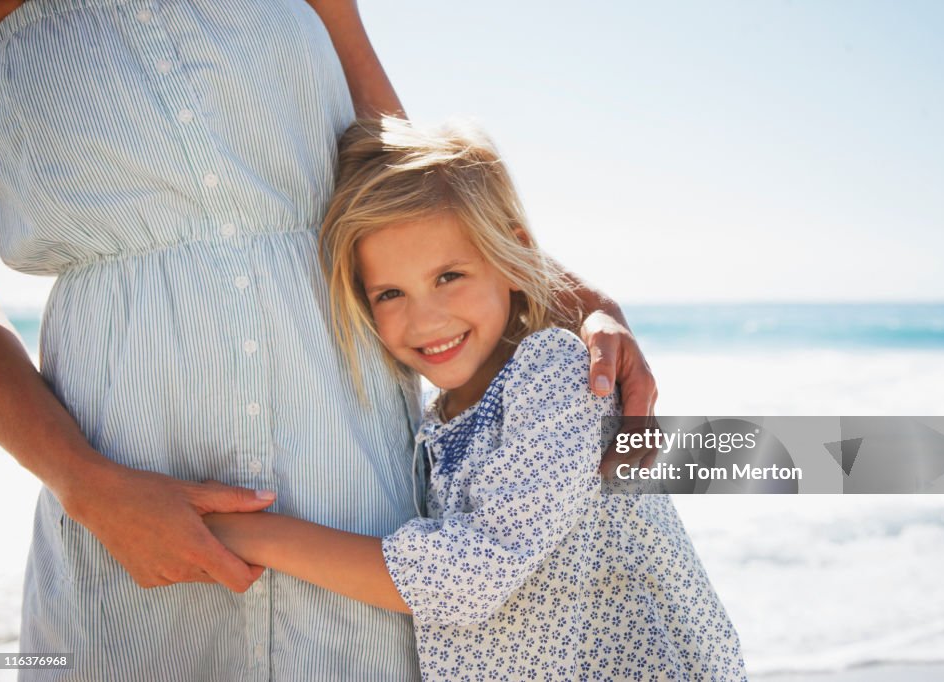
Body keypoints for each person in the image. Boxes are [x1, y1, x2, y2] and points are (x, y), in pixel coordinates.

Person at [0, 2, 656, 680]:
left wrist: (556, 293)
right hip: (125, 480)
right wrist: (84, 484)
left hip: (355, 471)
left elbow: (398, 160)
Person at [203, 117, 747, 681]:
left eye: (448, 276)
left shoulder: (554, 372)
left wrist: (247, 532)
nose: (425, 319)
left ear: (511, 256)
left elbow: (472, 572)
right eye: (390, 293)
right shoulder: (438, 419)